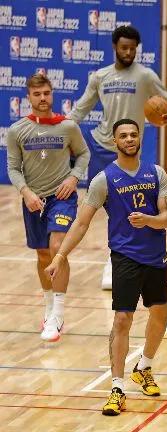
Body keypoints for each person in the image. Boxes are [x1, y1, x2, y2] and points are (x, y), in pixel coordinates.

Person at [46, 119, 167, 416]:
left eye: (133, 134)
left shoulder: (157, 173)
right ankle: (117, 387)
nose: (129, 139)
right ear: (115, 142)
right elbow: (81, 222)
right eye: (123, 136)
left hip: (156, 256)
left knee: (160, 317)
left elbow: (166, 217)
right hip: (125, 257)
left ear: (140, 139)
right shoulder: (104, 179)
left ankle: (144, 367)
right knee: (122, 321)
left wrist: (149, 220)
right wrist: (61, 256)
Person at [67, 25, 167, 290]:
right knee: (105, 209)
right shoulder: (100, 76)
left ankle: (116, 260)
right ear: (115, 47)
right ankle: (114, 257)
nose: (129, 52)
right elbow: (80, 109)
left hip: (130, 152)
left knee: (125, 210)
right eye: (124, 48)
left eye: (133, 48)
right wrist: (60, 132)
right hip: (102, 146)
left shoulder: (145, 76)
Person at [6, 73, 89, 342]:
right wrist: (26, 192)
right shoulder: (18, 130)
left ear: (52, 95)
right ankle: (48, 308)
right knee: (43, 254)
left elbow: (84, 154)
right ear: (28, 98)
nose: (42, 99)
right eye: (37, 94)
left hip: (61, 198)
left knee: (57, 249)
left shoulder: (67, 127)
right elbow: (12, 168)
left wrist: (73, 178)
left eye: (46, 93)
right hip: (33, 200)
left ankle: (59, 314)